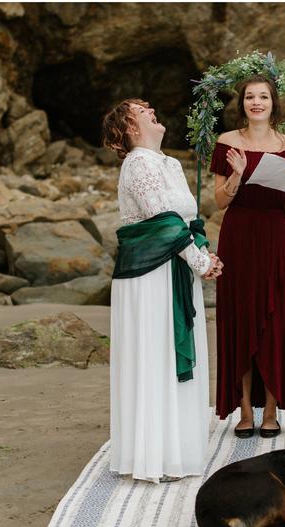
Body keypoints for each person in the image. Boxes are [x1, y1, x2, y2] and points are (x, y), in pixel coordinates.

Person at [102, 98, 223, 483]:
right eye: (141, 110)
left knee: (173, 357)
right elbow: (162, 221)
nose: (151, 109)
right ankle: (153, 454)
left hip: (177, 268)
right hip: (150, 276)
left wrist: (205, 252)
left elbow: (187, 221)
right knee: (154, 356)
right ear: (130, 128)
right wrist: (201, 263)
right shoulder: (137, 163)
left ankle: (179, 449)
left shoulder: (169, 163)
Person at [211, 75, 285, 438]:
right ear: (242, 104)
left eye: (263, 97)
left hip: (274, 237)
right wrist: (236, 175)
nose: (256, 102)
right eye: (250, 97)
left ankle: (271, 410)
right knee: (239, 318)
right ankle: (244, 410)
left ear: (273, 103)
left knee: (277, 323)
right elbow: (219, 201)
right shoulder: (227, 143)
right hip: (237, 237)